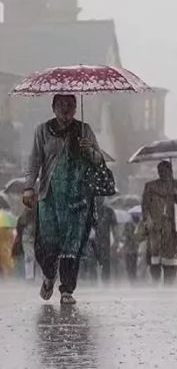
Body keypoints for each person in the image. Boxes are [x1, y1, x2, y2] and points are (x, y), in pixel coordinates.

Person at [22, 94, 104, 305]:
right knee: (47, 245)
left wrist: (89, 150)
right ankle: (49, 275)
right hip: (49, 196)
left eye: (70, 105)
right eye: (61, 105)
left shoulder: (84, 130)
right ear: (53, 107)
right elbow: (34, 160)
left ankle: (67, 289)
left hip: (77, 198)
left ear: (76, 108)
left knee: (72, 245)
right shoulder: (42, 131)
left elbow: (99, 160)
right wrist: (29, 187)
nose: (66, 109)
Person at [141, 160, 177, 285]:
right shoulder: (150, 186)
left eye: (165, 171)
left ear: (170, 171)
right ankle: (155, 280)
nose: (162, 173)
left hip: (172, 228)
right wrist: (148, 219)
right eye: (160, 171)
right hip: (155, 228)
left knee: (171, 259)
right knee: (154, 258)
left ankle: (169, 284)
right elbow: (145, 207)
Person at [92, 197, 118, 282]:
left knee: (105, 263)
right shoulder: (90, 211)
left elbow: (115, 227)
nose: (99, 199)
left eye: (101, 197)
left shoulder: (109, 211)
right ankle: (92, 282)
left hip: (105, 242)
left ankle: (106, 282)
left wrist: (116, 240)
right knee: (91, 263)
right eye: (97, 197)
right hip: (92, 242)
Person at [14, 206, 37, 281]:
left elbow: (19, 228)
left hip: (27, 239)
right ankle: (30, 276)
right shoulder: (34, 217)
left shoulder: (23, 217)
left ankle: (29, 276)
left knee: (29, 257)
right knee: (30, 257)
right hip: (29, 239)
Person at [122, 210, 141, 283]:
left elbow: (124, 235)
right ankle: (132, 281)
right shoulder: (131, 225)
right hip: (131, 250)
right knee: (131, 267)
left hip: (131, 250)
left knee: (131, 267)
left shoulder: (137, 225)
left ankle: (132, 281)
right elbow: (127, 235)